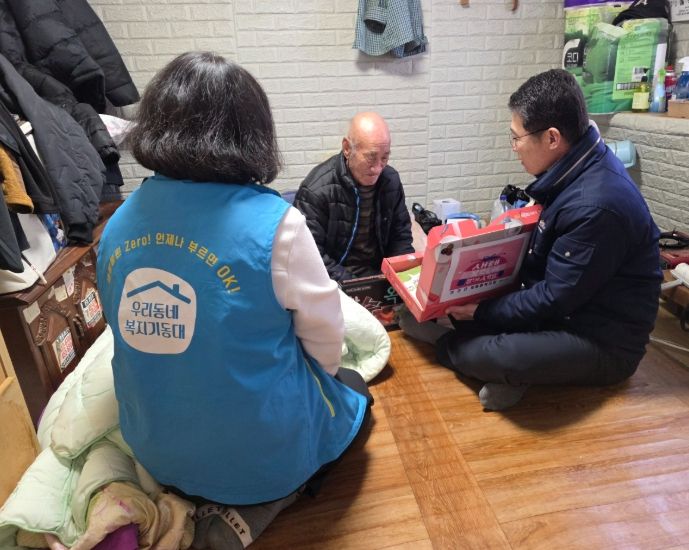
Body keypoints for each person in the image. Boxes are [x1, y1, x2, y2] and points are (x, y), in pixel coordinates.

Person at [96, 52, 372, 547]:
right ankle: (259, 506)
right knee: (355, 392)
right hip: (256, 460)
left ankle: (199, 496)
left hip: (155, 449)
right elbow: (325, 339)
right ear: (252, 134)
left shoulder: (117, 222)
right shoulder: (278, 224)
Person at [402, 69, 662, 411]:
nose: (514, 148)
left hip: (601, 339)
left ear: (552, 138)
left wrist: (481, 312)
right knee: (480, 304)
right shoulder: (578, 165)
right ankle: (510, 365)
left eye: (517, 138)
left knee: (494, 354)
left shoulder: (595, 205)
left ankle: (461, 347)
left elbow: (554, 299)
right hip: (564, 309)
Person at [293, 112, 414, 282]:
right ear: (347, 148)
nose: (378, 168)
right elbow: (311, 256)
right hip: (336, 277)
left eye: (385, 157)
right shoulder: (316, 190)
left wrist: (400, 276)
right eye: (371, 157)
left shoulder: (390, 181)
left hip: (380, 273)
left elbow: (401, 237)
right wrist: (355, 286)